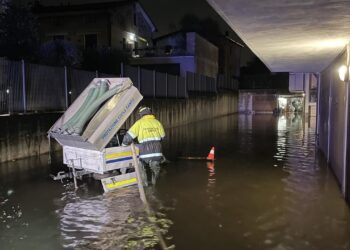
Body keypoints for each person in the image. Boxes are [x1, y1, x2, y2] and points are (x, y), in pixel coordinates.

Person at [122, 106, 165, 186]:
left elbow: (128, 137)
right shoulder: (157, 122)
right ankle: (155, 185)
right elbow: (163, 137)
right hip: (157, 153)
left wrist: (123, 145)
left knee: (141, 168)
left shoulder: (139, 123)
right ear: (150, 113)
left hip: (144, 154)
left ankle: (145, 185)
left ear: (141, 115)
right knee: (155, 169)